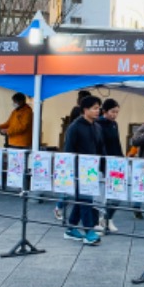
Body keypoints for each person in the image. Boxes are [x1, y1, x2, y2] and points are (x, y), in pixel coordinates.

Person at [63, 95, 105, 246]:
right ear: (85, 110)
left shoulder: (97, 127)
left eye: (98, 108)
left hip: (92, 169)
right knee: (86, 199)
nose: (97, 111)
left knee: (84, 199)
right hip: (79, 169)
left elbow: (101, 149)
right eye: (94, 108)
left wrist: (103, 167)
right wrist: (72, 171)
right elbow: (68, 151)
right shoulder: (74, 127)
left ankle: (70, 228)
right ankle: (89, 231)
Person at [55, 89, 93, 220]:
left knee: (76, 189)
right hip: (76, 156)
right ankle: (60, 208)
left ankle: (69, 217)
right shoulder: (77, 119)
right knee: (73, 187)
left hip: (81, 157)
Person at [96, 98, 123, 233]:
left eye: (117, 112)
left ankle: (108, 218)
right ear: (105, 111)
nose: (114, 115)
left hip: (116, 163)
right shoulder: (97, 124)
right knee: (102, 195)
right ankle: (102, 219)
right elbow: (100, 145)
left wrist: (122, 159)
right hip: (103, 163)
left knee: (117, 193)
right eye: (112, 111)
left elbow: (117, 144)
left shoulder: (114, 125)